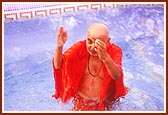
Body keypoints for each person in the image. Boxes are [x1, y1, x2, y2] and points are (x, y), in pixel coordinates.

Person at [52, 23, 128, 111]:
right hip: (82, 102)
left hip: (106, 102)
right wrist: (59, 46)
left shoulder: (115, 51)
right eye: (90, 42)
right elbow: (58, 65)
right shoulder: (79, 48)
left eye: (98, 44)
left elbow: (117, 75)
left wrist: (106, 57)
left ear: (108, 41)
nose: (92, 47)